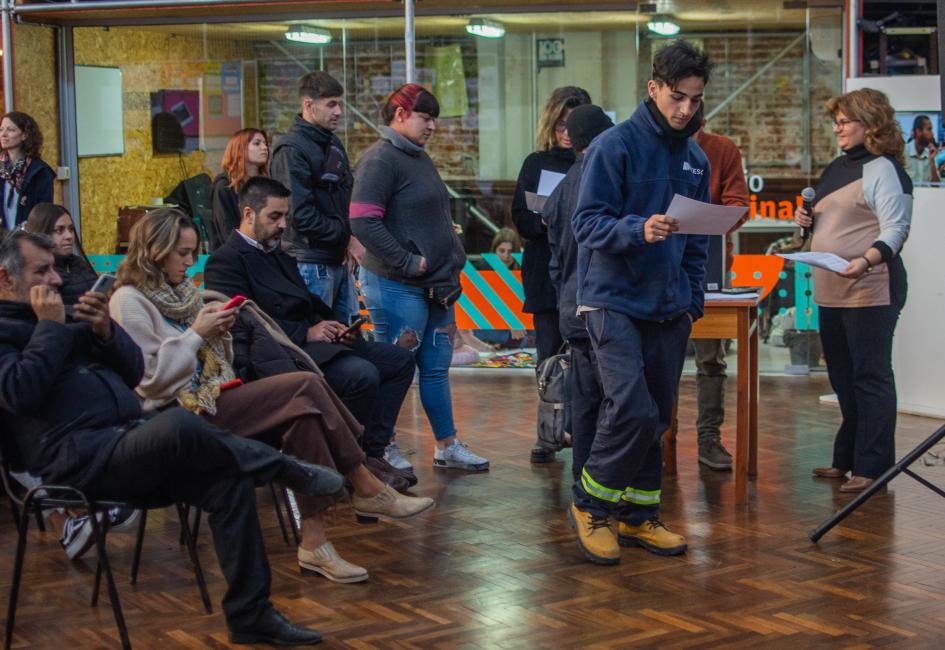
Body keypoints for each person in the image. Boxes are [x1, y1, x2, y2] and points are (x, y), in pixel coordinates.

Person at [0, 229, 340, 645]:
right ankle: (282, 468)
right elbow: (19, 392)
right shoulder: (16, 329)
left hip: (127, 441)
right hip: (77, 461)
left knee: (229, 483)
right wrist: (49, 330)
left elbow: (133, 374)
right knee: (179, 423)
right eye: (42, 270)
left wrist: (106, 332)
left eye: (55, 268)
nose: (55, 279)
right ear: (5, 279)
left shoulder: (65, 316)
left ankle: (250, 616)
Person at [109, 208, 434, 583]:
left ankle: (315, 544)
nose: (190, 261)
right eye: (181, 253)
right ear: (154, 250)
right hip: (177, 417)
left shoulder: (180, 293)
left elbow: (216, 364)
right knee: (304, 384)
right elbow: (151, 382)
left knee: (304, 418)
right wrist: (198, 333)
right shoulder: (129, 301)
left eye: (192, 251)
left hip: (215, 397)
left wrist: (220, 333)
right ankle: (363, 479)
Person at [568, 41, 712, 565]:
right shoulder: (614, 146)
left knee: (659, 416)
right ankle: (589, 506)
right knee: (630, 408)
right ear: (653, 88)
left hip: (670, 308)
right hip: (613, 301)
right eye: (677, 97)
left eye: (695, 100)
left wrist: (692, 301)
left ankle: (637, 515)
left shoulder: (697, 159)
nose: (686, 110)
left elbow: (697, 242)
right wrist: (638, 228)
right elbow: (585, 224)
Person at [203, 176, 419, 491]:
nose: (282, 225)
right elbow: (241, 326)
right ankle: (349, 465)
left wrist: (335, 327)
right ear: (248, 214)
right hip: (281, 355)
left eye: (285, 216)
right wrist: (307, 332)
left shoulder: (278, 254)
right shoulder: (225, 262)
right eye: (274, 216)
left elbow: (308, 302)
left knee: (399, 361)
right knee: (362, 374)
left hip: (315, 344)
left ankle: (371, 453)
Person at [350, 83, 489, 473]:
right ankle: (382, 446)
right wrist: (408, 261)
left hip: (433, 288)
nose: (432, 126)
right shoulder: (381, 160)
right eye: (426, 117)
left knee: (434, 368)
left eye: (434, 119)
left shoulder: (416, 157)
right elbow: (362, 219)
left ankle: (447, 445)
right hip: (398, 284)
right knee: (395, 367)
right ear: (400, 115)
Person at [795, 88, 913, 494]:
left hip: (870, 287)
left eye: (845, 121)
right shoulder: (835, 167)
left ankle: (874, 466)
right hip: (832, 287)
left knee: (870, 376)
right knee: (843, 377)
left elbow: (896, 229)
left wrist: (864, 261)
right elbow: (830, 228)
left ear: (871, 123)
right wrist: (805, 223)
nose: (837, 127)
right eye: (837, 121)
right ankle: (846, 458)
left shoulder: (884, 169)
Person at [513, 86, 591, 464]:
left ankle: (583, 428)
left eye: (571, 125)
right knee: (548, 356)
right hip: (545, 270)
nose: (565, 132)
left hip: (584, 271)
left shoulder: (595, 161)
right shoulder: (536, 162)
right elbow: (521, 220)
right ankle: (548, 430)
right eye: (560, 124)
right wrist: (549, 219)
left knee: (589, 357)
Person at [545, 105, 614, 482]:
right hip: (602, 308)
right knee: (614, 404)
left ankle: (582, 482)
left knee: (584, 403)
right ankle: (605, 486)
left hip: (572, 307)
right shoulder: (602, 175)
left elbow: (555, 261)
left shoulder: (561, 188)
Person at [270, 71, 362, 326]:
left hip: (336, 260)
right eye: (331, 104)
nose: (339, 111)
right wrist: (347, 238)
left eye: (340, 103)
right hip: (309, 262)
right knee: (318, 344)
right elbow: (298, 214)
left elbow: (345, 197)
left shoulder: (332, 143)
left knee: (345, 341)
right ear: (308, 105)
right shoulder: (291, 150)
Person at [690, 121, 750, 470]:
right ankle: (656, 438)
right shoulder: (651, 145)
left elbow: (738, 204)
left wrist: (701, 222)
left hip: (709, 267)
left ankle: (709, 438)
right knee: (653, 358)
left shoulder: (722, 148)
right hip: (656, 264)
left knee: (710, 359)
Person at [25, 203, 98, 306]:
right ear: (42, 233)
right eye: (59, 230)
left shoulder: (80, 264)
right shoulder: (39, 276)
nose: (69, 236)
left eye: (71, 229)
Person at [210, 128, 270, 251]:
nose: (264, 148)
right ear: (240, 149)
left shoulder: (268, 185)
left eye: (265, 143)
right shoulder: (224, 187)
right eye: (257, 143)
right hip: (236, 260)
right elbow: (227, 231)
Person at [1, 112, 55, 233]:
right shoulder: (1, 170)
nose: (3, 134)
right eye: (1, 129)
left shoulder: (40, 171)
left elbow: (43, 215)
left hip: (28, 243)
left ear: (25, 135)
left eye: (10, 130)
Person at [903, 115, 940, 185]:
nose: (932, 133)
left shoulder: (931, 153)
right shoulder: (903, 153)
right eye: (929, 129)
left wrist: (932, 162)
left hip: (927, 195)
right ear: (918, 131)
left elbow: (936, 186)